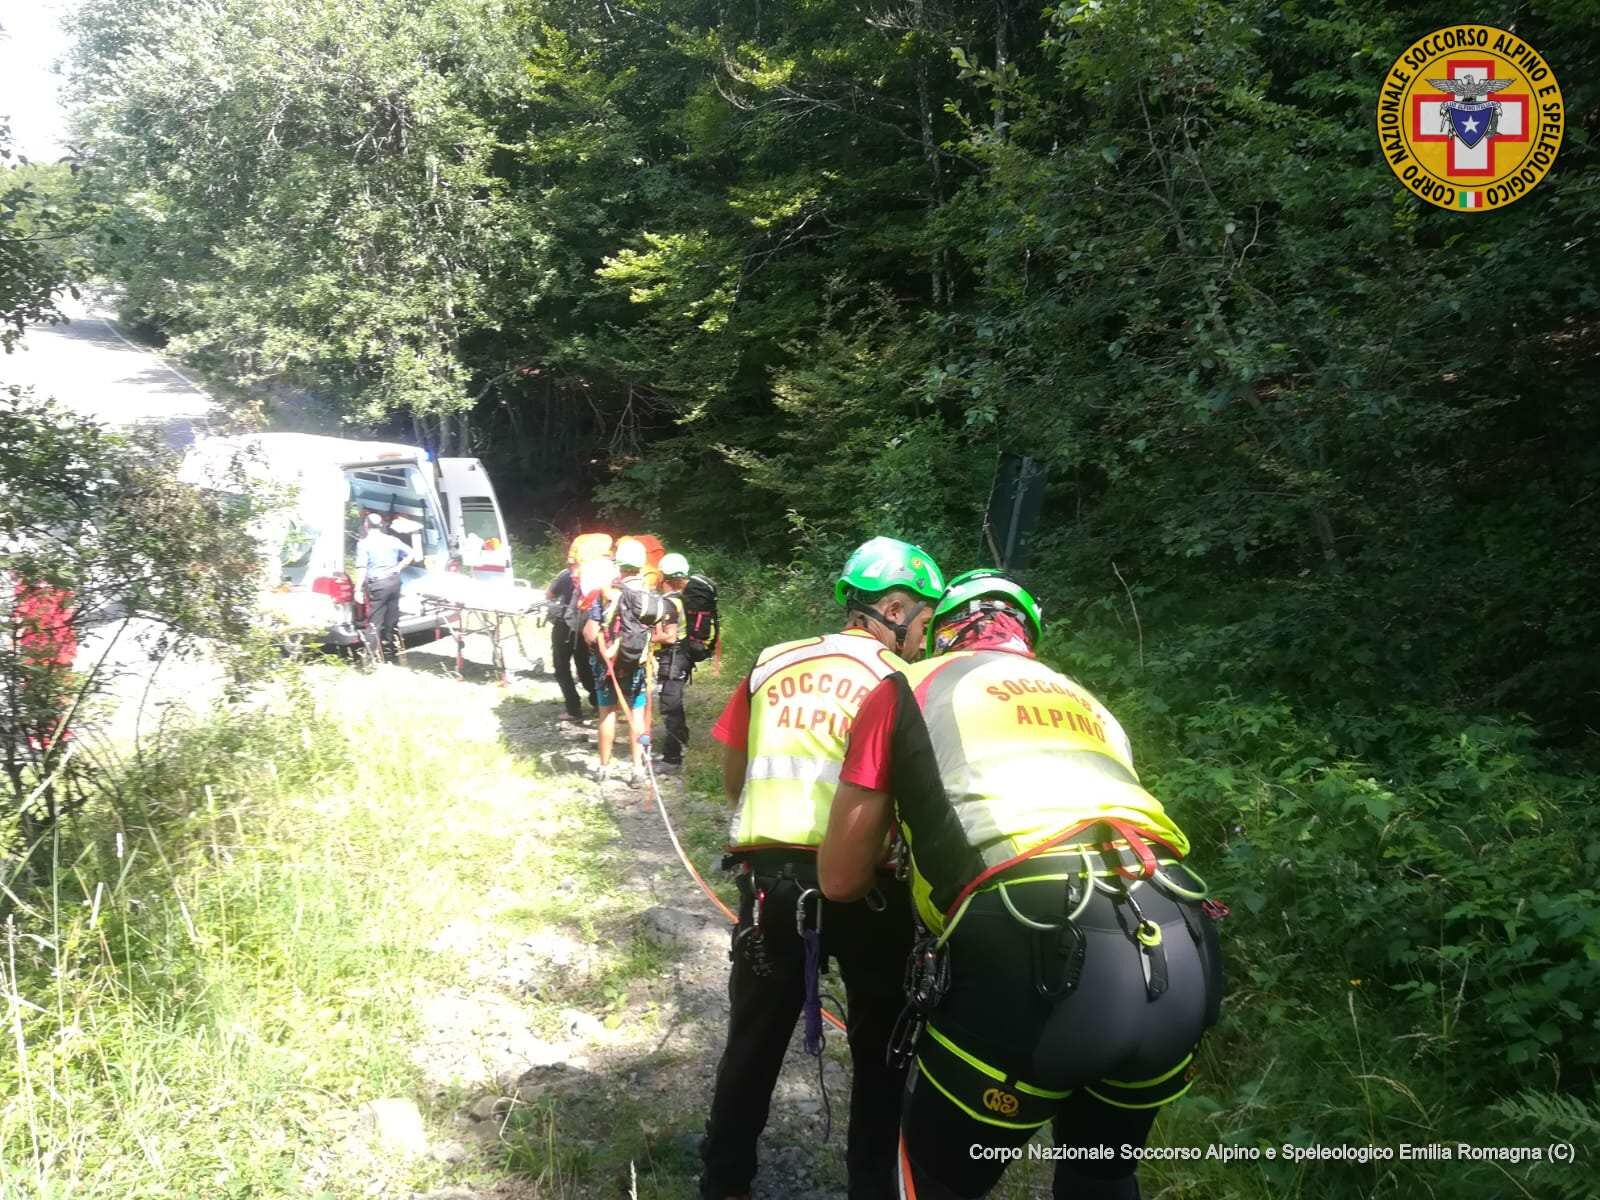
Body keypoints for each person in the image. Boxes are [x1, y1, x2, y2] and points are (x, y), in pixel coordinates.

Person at [818, 570, 1224, 1200]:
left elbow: (840, 878)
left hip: (1036, 948)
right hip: (1179, 942)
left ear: (941, 632)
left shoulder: (908, 686)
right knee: (1102, 1174)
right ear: (1028, 637)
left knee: (938, 1182)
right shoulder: (1090, 704)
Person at [698, 536, 946, 1200]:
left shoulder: (773, 662)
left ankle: (723, 1184)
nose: (926, 638)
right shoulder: (903, 682)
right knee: (881, 1054)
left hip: (770, 886)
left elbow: (733, 772)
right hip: (870, 887)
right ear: (893, 607)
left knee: (751, 1045)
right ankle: (872, 1187)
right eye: (924, 621)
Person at [583, 541, 654, 785]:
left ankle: (604, 768)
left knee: (607, 713)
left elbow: (590, 633)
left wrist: (598, 649)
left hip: (608, 665)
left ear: (619, 565)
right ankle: (637, 770)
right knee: (637, 713)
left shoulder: (607, 593)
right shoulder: (648, 595)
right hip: (639, 664)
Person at [353, 512, 416, 663]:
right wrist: (399, 567)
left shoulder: (364, 544)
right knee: (392, 618)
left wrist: (357, 590)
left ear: (366, 526)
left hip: (378, 585)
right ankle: (392, 653)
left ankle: (370, 658)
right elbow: (411, 553)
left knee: (375, 621)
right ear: (381, 525)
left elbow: (362, 569)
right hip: (394, 583)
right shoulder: (392, 540)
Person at [546, 550, 599, 723]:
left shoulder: (565, 575)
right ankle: (598, 702)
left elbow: (549, 595)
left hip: (564, 626)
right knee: (585, 666)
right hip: (586, 626)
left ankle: (573, 708)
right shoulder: (597, 575)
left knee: (561, 667)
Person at [652, 551, 692, 770]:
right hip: (684, 655)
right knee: (675, 699)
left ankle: (672, 758)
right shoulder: (686, 598)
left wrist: (648, 637)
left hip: (673, 657)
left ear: (663, 577)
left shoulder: (668, 603)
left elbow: (669, 635)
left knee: (670, 705)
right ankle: (682, 738)